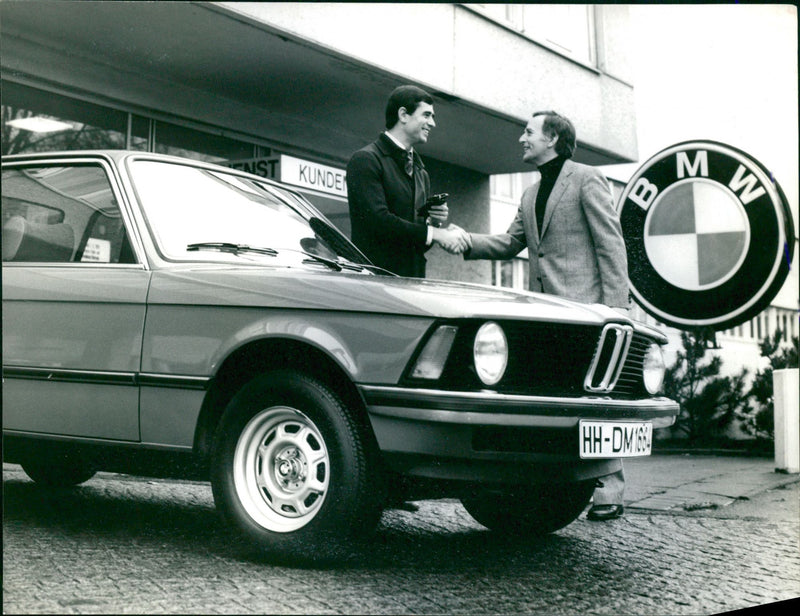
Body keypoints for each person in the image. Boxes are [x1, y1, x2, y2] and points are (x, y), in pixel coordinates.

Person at [458, 110, 629, 521]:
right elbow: (508, 242)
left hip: (587, 312)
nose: (522, 138)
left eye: (528, 132)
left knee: (595, 401)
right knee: (557, 401)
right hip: (544, 316)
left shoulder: (587, 178)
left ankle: (610, 488)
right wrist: (464, 241)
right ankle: (562, 487)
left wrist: (617, 308)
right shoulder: (530, 194)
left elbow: (611, 243)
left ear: (551, 138)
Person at [346, 85, 469, 278]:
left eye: (433, 117)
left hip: (412, 284)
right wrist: (435, 234)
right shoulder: (366, 159)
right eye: (427, 115)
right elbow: (378, 222)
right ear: (403, 115)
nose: (432, 123)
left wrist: (435, 223)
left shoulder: (421, 172)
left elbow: (415, 246)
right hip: (375, 284)